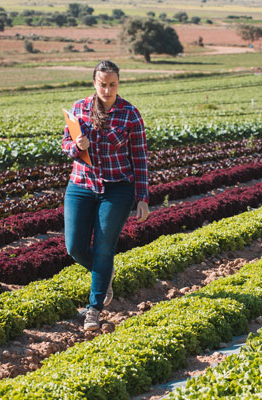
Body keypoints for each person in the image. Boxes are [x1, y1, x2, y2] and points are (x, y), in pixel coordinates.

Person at [62, 60, 149, 331]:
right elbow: (65, 145)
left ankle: (94, 309)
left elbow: (140, 158)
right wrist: (76, 147)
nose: (107, 89)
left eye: (112, 84)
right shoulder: (79, 109)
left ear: (118, 84)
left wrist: (143, 197)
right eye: (103, 84)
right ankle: (105, 272)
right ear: (94, 83)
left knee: (103, 247)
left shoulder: (130, 114)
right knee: (74, 247)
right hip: (81, 185)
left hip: (117, 189)